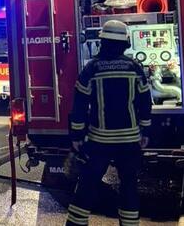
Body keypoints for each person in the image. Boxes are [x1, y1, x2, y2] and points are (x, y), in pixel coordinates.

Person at [65, 20, 152, 226]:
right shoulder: (135, 67)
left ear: (102, 41)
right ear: (125, 43)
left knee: (87, 185)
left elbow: (79, 106)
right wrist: (146, 131)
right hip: (129, 141)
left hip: (99, 141)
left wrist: (77, 136)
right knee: (129, 185)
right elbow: (145, 102)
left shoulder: (91, 68)